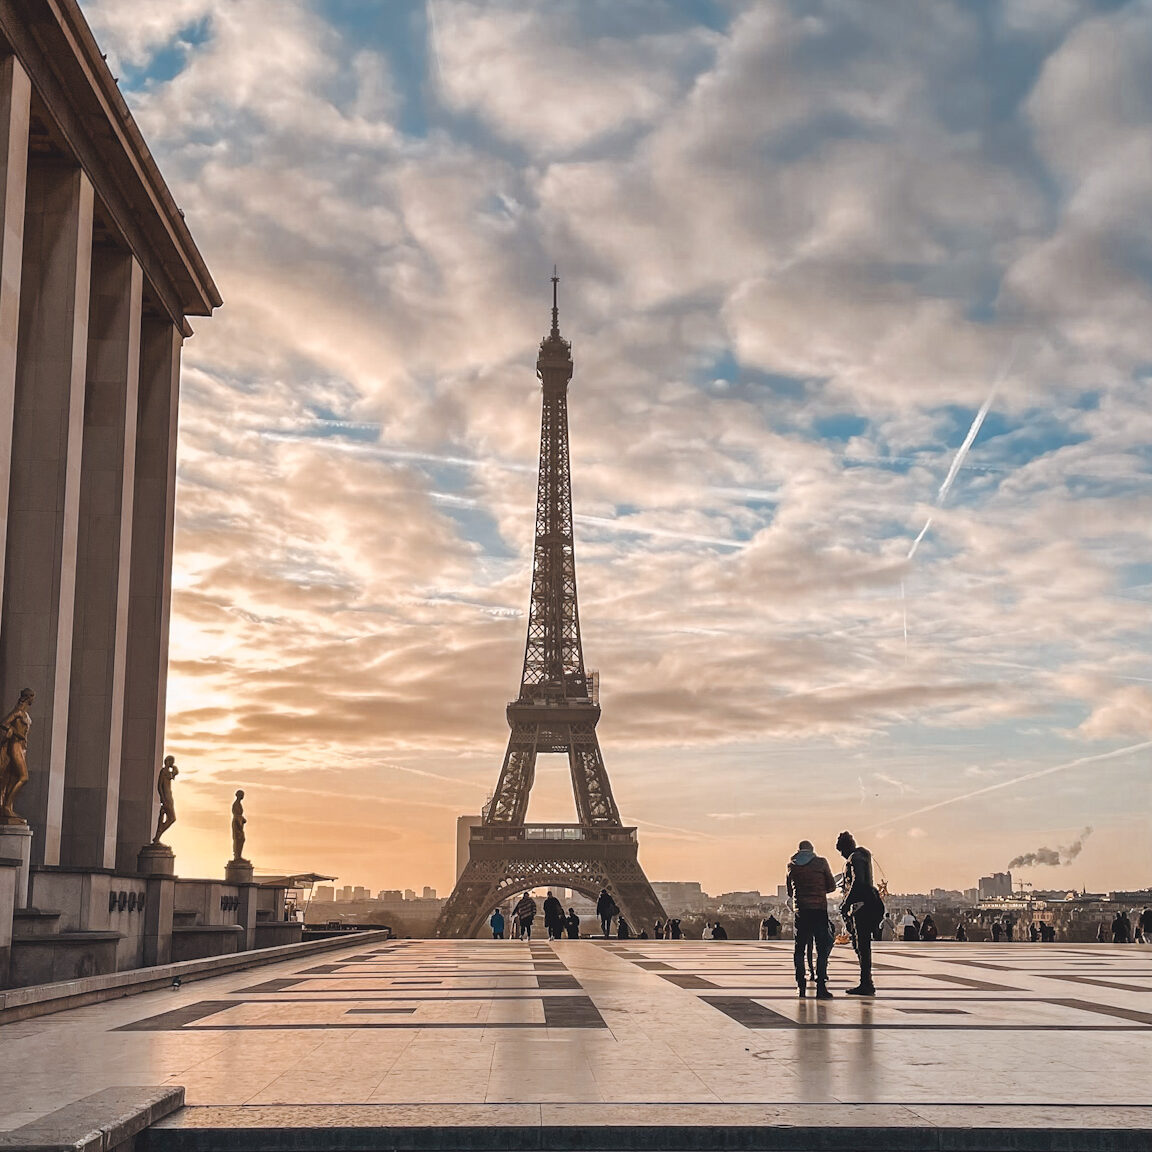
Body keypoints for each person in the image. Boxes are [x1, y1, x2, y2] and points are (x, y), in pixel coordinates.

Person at [786, 838, 836, 999]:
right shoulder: (821, 863)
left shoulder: (791, 866)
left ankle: (801, 985)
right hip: (819, 909)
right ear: (812, 849)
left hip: (801, 910)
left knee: (799, 949)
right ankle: (821, 986)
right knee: (822, 948)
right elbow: (831, 886)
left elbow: (789, 892)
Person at [836, 830, 884, 996]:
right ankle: (866, 981)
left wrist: (845, 902)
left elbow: (858, 882)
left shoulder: (854, 858)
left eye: (841, 852)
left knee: (861, 944)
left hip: (862, 906)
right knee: (862, 944)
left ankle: (866, 982)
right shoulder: (863, 856)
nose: (842, 856)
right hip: (870, 903)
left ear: (845, 848)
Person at [0, 688, 34, 821]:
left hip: (22, 747)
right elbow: (4, 723)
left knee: (12, 778)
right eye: (32, 697)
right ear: (28, 697)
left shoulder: (25, 714)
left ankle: (7, 807)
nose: (33, 700)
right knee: (24, 777)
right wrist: (13, 731)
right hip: (15, 746)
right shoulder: (18, 712)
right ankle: (7, 806)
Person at [152, 756, 178, 843]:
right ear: (168, 761)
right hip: (166, 798)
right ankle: (157, 836)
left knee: (168, 818)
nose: (172, 764)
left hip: (169, 797)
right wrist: (162, 798)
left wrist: (175, 770)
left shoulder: (167, 772)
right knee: (172, 818)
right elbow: (159, 786)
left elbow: (173, 775)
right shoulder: (163, 772)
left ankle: (157, 837)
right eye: (172, 762)